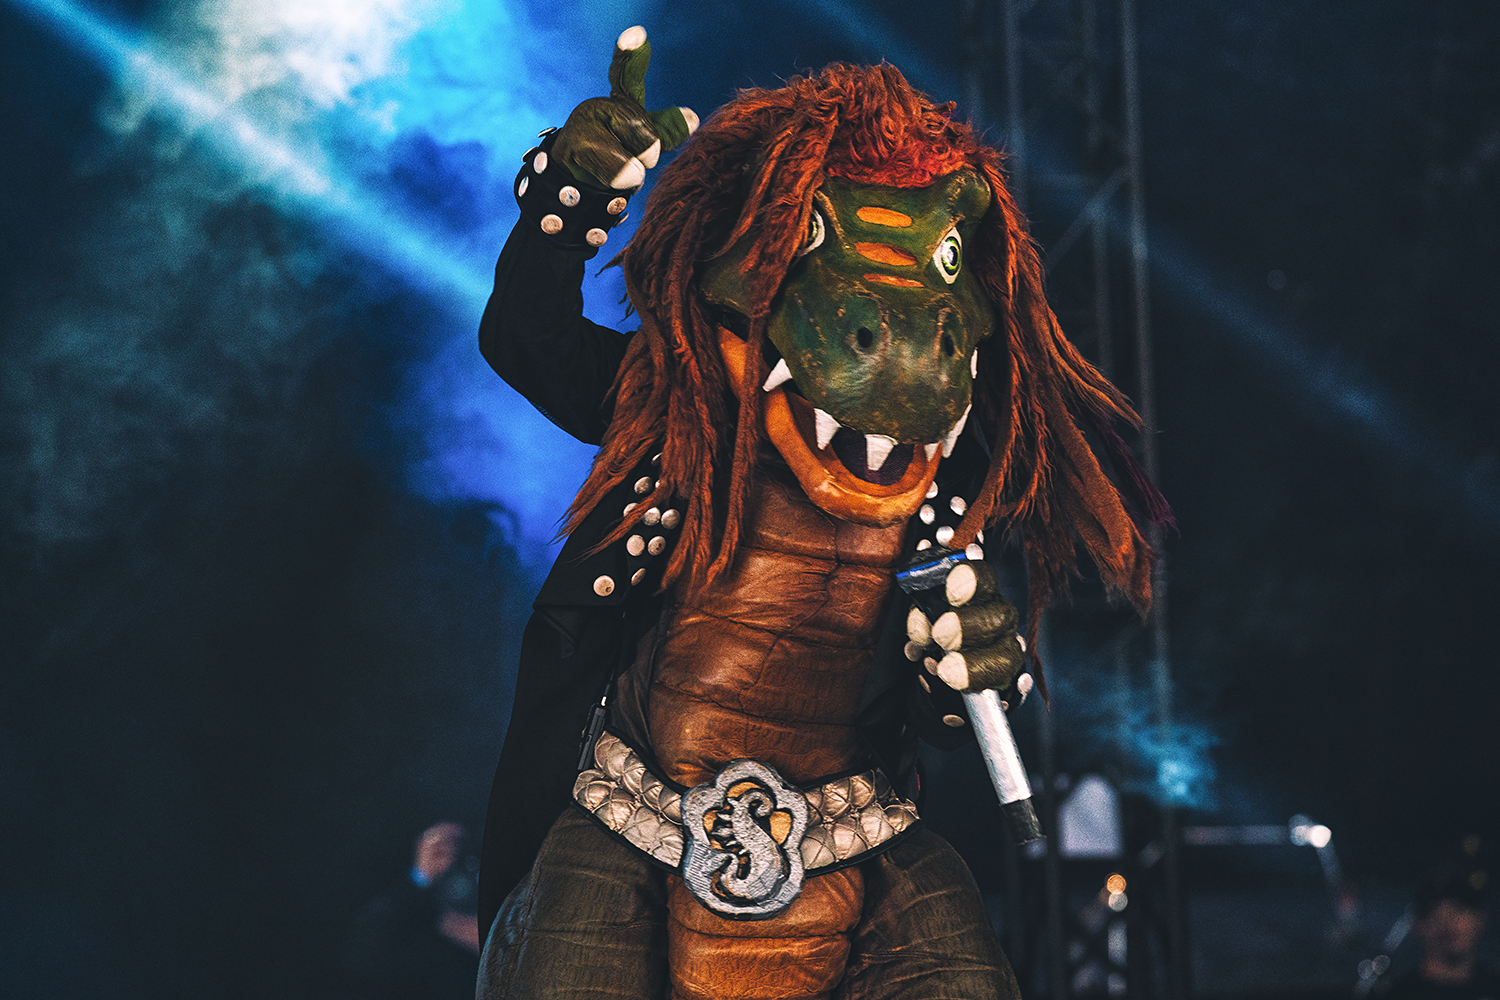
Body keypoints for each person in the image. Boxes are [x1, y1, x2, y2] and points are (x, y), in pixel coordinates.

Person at [343, 821, 481, 999]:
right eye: (443, 845)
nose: (450, 851)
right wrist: (422, 877)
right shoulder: (412, 906)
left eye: (460, 845)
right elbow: (361, 953)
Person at [1380, 866, 1497, 1000]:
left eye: (1458, 910)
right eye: (1435, 914)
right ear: (1416, 926)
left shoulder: (1494, 988)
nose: (1448, 924)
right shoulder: (1399, 995)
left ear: (1480, 919)